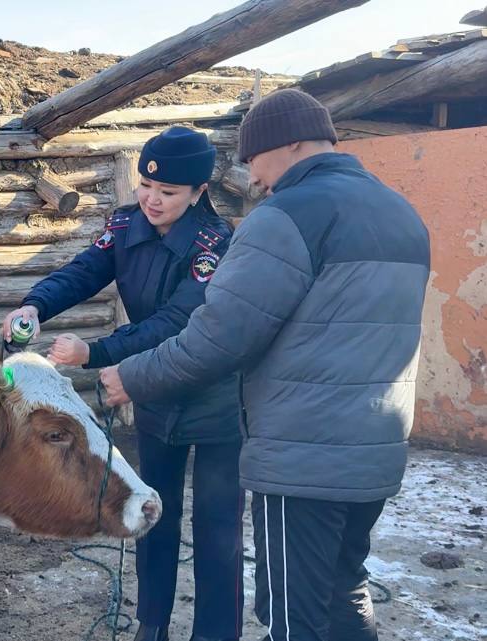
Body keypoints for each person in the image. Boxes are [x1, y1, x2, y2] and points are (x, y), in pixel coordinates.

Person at [100, 90, 431, 641]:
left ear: (291, 143)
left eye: (253, 159)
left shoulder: (286, 216)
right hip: (378, 447)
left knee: (291, 616)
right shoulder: (401, 211)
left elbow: (218, 337)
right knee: (343, 594)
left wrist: (129, 375)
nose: (252, 178)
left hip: (302, 458)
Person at [3, 126, 245, 641]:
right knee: (150, 512)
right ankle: (150, 624)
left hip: (215, 396)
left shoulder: (214, 244)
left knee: (217, 527)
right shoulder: (126, 224)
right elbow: (84, 269)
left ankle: (215, 633)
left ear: (200, 191)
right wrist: (36, 303)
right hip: (155, 393)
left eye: (169, 192)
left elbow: (179, 320)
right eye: (146, 186)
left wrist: (99, 352)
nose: (152, 199)